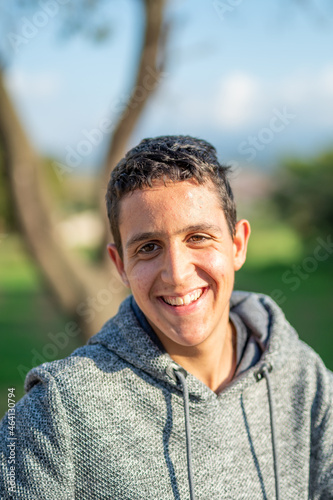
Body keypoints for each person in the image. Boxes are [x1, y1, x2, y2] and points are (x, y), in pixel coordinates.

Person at [1, 135, 332, 499]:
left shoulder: (304, 377)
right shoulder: (50, 416)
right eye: (148, 248)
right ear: (120, 265)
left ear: (237, 245)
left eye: (199, 237)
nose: (176, 274)